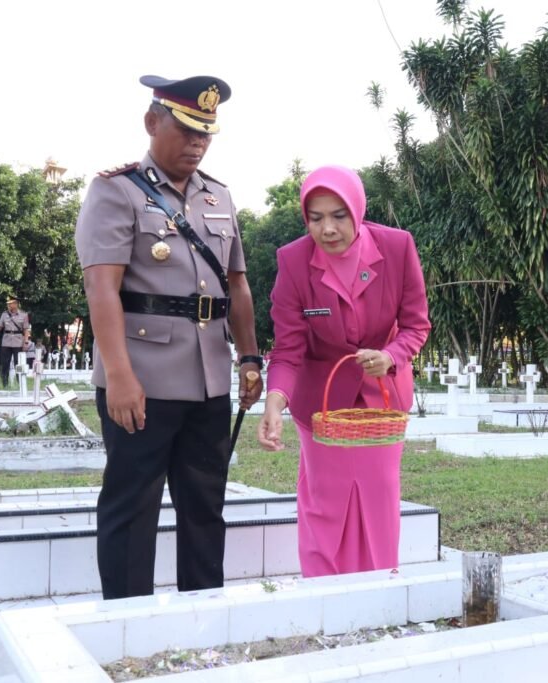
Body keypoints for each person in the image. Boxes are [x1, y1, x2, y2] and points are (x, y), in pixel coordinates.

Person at [75, 74, 263, 600]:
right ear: (152, 122)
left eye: (206, 134)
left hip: (208, 382)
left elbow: (237, 285)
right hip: (142, 379)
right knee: (132, 507)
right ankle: (127, 625)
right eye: (186, 131)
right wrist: (118, 376)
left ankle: (202, 617)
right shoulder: (116, 190)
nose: (197, 143)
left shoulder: (219, 197)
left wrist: (248, 358)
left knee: (205, 508)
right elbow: (101, 289)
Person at [257, 165, 431, 577]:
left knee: (379, 496)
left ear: (357, 210)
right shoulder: (294, 261)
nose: (327, 229)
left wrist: (390, 356)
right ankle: (322, 592)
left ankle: (380, 588)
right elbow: (288, 347)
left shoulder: (397, 247)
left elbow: (416, 324)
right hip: (320, 404)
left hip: (381, 402)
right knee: (324, 500)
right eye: (315, 218)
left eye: (338, 216)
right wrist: (274, 402)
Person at [0, 295, 31, 388]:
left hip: (18, 341)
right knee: (5, 363)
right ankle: (4, 384)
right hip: (6, 341)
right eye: (8, 304)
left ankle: (20, 383)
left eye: (10, 303)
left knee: (18, 363)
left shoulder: (24, 315)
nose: (9, 305)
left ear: (16, 304)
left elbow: (26, 330)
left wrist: (26, 342)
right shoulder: (4, 314)